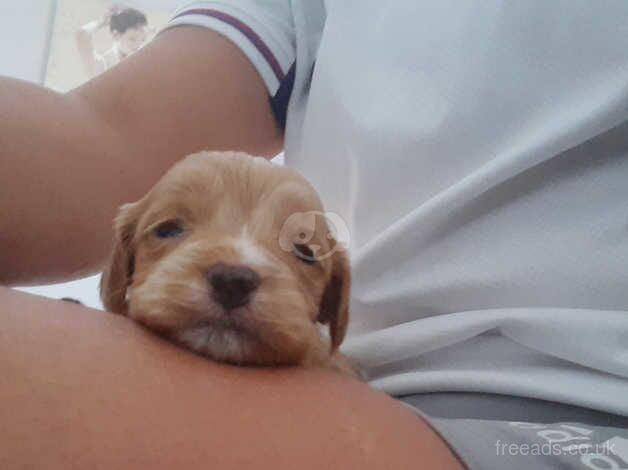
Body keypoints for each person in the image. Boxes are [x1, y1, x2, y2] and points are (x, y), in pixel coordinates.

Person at [1, 1, 628, 468]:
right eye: (170, 229)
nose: (237, 265)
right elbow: (106, 130)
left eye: (303, 253)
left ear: (334, 305)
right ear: (119, 272)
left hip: (582, 418)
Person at [75, 6, 148, 77]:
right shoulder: (103, 63)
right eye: (132, 39)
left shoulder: (142, 64)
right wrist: (101, 22)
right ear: (116, 35)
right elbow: (81, 35)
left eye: (143, 40)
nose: (139, 45)